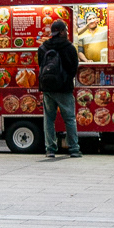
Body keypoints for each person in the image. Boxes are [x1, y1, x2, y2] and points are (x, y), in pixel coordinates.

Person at [38, 18, 82, 159]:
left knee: (49, 119)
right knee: (69, 119)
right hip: (64, 89)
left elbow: (41, 66)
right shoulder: (69, 48)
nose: (67, 33)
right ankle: (74, 149)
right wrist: (66, 79)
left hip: (47, 89)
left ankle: (50, 149)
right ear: (62, 32)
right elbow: (73, 68)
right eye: (66, 30)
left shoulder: (43, 47)